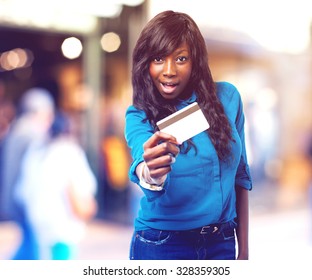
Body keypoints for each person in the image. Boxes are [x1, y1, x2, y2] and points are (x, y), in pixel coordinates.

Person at [124, 10, 252, 260]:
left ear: (196, 62)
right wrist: (152, 171)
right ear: (146, 63)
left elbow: (241, 175)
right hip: (162, 245)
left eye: (181, 59)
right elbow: (144, 165)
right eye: (159, 58)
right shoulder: (139, 115)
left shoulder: (228, 98)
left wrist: (244, 250)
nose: (169, 70)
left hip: (222, 243)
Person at [14, 111, 98, 260]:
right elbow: (85, 188)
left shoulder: (36, 154)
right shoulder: (70, 152)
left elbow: (22, 192)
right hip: (63, 227)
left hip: (39, 226)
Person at [0, 87, 55, 259]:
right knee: (32, 247)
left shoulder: (18, 129)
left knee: (29, 245)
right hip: (27, 202)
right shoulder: (32, 133)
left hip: (17, 199)